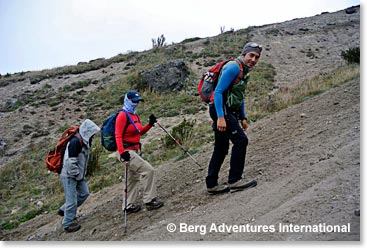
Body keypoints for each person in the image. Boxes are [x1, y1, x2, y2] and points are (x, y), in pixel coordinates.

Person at [206, 42, 262, 195]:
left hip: (227, 111)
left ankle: (211, 184)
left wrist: (243, 117)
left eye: (257, 57)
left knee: (221, 147)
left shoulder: (244, 71)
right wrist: (221, 117)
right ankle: (235, 180)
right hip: (220, 110)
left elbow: (239, 95)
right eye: (251, 55)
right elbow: (218, 92)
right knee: (241, 141)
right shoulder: (234, 67)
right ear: (244, 54)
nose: (253, 59)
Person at [115, 90, 164, 214]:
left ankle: (128, 205)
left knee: (132, 178)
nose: (136, 104)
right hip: (127, 152)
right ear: (128, 100)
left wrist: (149, 124)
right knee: (148, 170)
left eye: (137, 101)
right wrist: (122, 153)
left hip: (134, 150)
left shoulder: (134, 115)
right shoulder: (122, 115)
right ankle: (149, 200)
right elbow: (118, 135)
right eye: (134, 101)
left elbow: (139, 132)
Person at [58, 119, 101, 233]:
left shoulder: (83, 140)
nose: (94, 136)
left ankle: (64, 210)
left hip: (78, 174)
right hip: (69, 175)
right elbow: (70, 162)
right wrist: (77, 176)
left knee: (84, 193)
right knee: (71, 200)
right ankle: (68, 223)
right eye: (93, 133)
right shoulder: (75, 142)